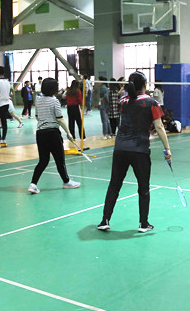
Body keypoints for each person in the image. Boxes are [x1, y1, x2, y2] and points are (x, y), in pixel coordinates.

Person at [97, 71, 170, 233]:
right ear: (144, 85)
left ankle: (104, 220)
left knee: (114, 185)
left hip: (120, 149)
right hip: (139, 150)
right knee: (143, 188)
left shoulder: (123, 100)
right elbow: (159, 127)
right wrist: (167, 148)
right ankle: (143, 224)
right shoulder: (152, 102)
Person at [28, 77, 80, 194]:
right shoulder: (54, 101)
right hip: (53, 134)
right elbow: (60, 119)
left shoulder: (38, 100)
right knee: (60, 160)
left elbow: (37, 116)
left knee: (43, 161)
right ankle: (66, 182)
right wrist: (68, 133)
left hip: (40, 133)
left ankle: (33, 184)